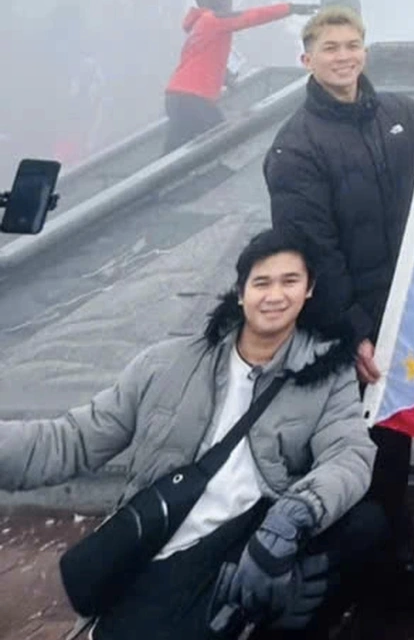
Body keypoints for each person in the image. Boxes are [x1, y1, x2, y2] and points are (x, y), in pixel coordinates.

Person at [0, 229, 380, 640]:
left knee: (364, 525)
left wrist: (292, 516)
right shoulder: (166, 364)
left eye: (290, 281)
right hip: (164, 537)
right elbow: (73, 438)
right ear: (240, 292)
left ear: (309, 290)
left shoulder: (326, 373)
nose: (275, 296)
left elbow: (349, 454)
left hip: (250, 542)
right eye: (262, 282)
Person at [264, 6, 414, 611]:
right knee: (347, 457)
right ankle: (345, 577)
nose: (344, 56)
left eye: (353, 45)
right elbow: (312, 252)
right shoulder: (295, 146)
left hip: (403, 320)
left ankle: (390, 566)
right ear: (307, 59)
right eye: (330, 48)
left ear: (366, 51)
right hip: (346, 331)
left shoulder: (402, 116)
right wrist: (356, 333)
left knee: (391, 452)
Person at [164, 0, 316, 154]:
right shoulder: (214, 19)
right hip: (194, 99)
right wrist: (290, 8)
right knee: (226, 145)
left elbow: (196, 59)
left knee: (173, 153)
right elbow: (252, 16)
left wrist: (224, 77)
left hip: (177, 96)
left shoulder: (201, 24)